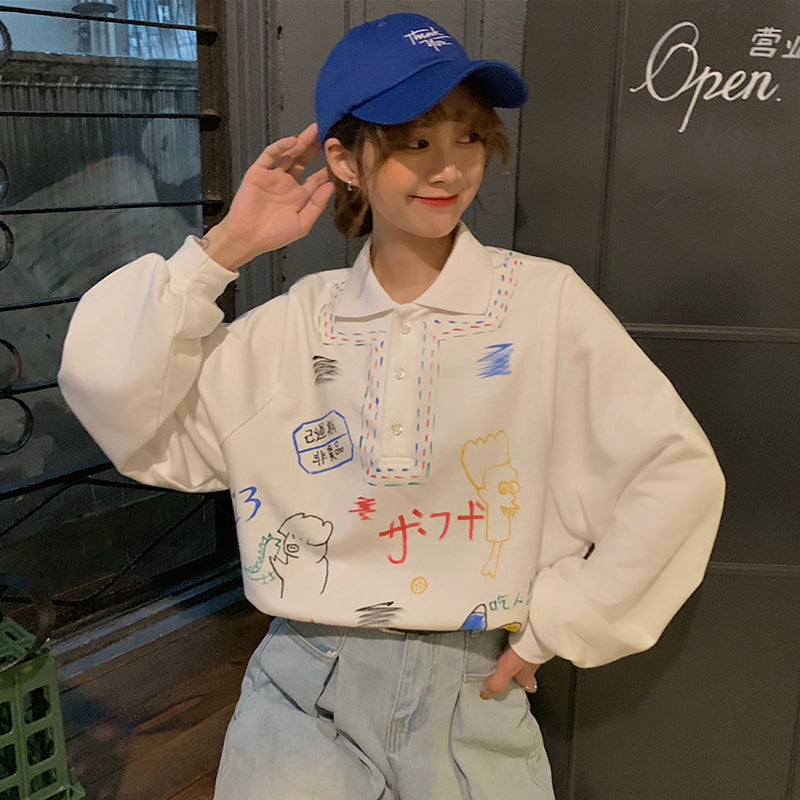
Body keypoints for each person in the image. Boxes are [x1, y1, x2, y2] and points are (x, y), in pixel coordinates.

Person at [59, 12, 725, 800]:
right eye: (414, 140)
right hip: (304, 691)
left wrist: (561, 626)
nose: (449, 167)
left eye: (468, 136)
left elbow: (676, 474)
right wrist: (226, 247)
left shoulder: (544, 306)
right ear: (344, 158)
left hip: (472, 689)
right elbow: (126, 405)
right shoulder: (293, 328)